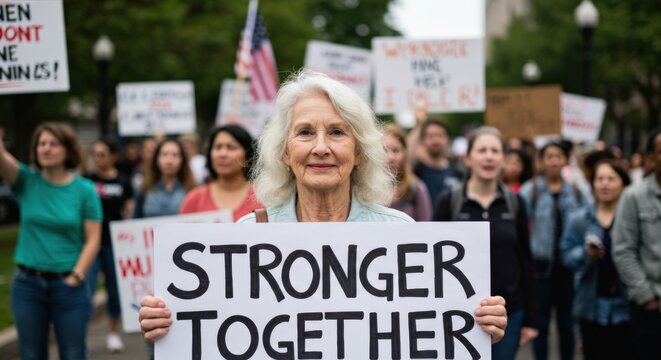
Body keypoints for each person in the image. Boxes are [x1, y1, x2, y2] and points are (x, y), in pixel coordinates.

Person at [138, 72, 507, 346]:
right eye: (304, 133)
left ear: (359, 151)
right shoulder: (247, 237)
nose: (320, 147)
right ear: (284, 151)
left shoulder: (402, 235)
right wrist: (169, 325)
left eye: (336, 132)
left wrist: (476, 325)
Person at [433, 126, 538, 360]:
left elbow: (525, 260)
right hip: (459, 315)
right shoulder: (449, 201)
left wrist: (531, 318)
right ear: (468, 159)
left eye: (495, 150)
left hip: (508, 314)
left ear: (503, 159)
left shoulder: (515, 202)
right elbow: (433, 261)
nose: (489, 156)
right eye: (482, 150)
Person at [0, 122, 102, 359]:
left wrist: (77, 276)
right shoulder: (26, 181)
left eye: (53, 144)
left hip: (68, 286)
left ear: (68, 150)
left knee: (74, 353)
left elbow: (93, 239)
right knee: (32, 354)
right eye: (42, 144)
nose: (46, 149)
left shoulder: (84, 190)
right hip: (27, 286)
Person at [520, 142, 588, 360]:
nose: (554, 161)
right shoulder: (531, 190)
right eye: (549, 156)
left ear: (566, 160)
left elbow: (589, 220)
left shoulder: (578, 192)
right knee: (540, 324)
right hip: (540, 268)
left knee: (567, 323)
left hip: (569, 267)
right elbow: (520, 227)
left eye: (558, 156)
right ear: (541, 161)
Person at [560, 159, 632, 359]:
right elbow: (565, 254)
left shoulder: (631, 219)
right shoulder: (579, 219)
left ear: (624, 183)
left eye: (611, 178)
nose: (605, 184)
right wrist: (585, 254)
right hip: (590, 305)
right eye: (600, 178)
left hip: (628, 304)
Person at [612, 128, 661, 360]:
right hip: (650, 308)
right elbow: (623, 251)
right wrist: (647, 298)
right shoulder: (634, 196)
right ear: (650, 157)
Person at [86, 137, 135, 353]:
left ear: (113, 156)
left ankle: (113, 333)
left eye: (102, 153)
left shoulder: (123, 182)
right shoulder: (87, 181)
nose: (98, 158)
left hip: (116, 245)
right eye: (95, 154)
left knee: (115, 291)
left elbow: (130, 210)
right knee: (85, 291)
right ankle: (81, 336)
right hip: (91, 244)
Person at [179, 125, 263, 220]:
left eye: (231, 147)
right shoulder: (194, 199)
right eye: (218, 147)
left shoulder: (264, 197)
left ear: (247, 154)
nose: (222, 154)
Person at [133, 138, 195, 218]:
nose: (169, 161)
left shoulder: (192, 189)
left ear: (182, 160)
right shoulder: (145, 188)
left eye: (175, 155)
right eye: (164, 154)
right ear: (156, 159)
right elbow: (136, 219)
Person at [383, 124, 432, 221]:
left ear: (405, 153)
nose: (390, 157)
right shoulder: (364, 189)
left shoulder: (416, 188)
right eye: (384, 150)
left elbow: (426, 228)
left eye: (395, 151)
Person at [413, 118, 463, 207]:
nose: (436, 140)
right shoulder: (416, 171)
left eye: (440, 135)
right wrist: (419, 125)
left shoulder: (458, 172)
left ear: (448, 139)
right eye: (431, 136)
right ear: (423, 140)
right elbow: (407, 153)